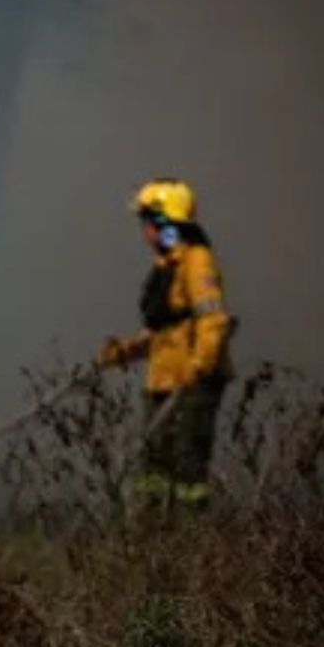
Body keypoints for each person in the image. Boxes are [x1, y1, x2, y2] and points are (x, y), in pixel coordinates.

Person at [98, 178, 235, 510]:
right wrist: (123, 353)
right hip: (163, 380)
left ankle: (191, 534)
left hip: (192, 383)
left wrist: (198, 369)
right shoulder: (166, 266)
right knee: (153, 467)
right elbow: (164, 332)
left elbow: (212, 320)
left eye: (148, 222)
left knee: (188, 467)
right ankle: (153, 534)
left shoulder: (197, 261)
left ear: (166, 224)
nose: (144, 232)